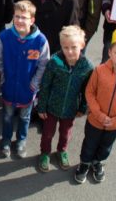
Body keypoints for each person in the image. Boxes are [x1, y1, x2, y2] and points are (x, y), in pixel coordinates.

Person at [75, 29, 116, 184]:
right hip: (95, 120)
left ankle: (97, 162)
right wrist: (98, 114)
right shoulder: (99, 71)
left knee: (106, 146)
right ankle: (85, 163)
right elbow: (90, 92)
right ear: (110, 52)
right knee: (89, 144)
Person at [0, 0, 50, 159]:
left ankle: (21, 140)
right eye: (17, 16)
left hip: (27, 89)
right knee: (7, 116)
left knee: (25, 117)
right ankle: (5, 140)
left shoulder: (41, 41)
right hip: (8, 87)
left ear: (32, 20)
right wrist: (2, 80)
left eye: (24, 17)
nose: (19, 20)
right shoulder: (4, 36)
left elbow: (43, 65)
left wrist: (34, 84)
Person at [37, 25, 93, 172]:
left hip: (70, 108)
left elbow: (87, 90)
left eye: (73, 47)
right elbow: (45, 85)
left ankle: (62, 150)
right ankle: (45, 153)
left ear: (82, 45)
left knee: (65, 133)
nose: (69, 51)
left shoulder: (86, 66)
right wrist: (41, 106)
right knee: (47, 133)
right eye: (65, 47)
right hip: (51, 107)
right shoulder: (54, 62)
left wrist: (82, 108)